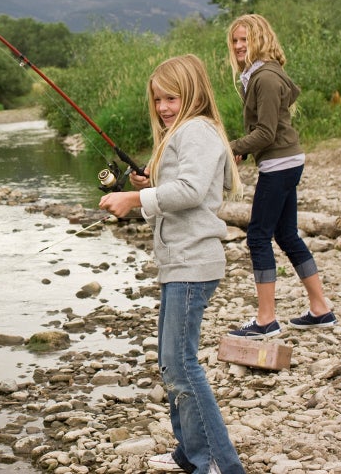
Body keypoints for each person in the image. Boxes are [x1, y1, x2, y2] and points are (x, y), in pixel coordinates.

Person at [99, 54, 245, 474]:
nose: (162, 107)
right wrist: (153, 185)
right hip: (178, 263)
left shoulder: (197, 130)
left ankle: (219, 463)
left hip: (192, 263)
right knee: (170, 363)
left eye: (171, 98)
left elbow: (192, 190)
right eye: (157, 99)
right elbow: (179, 189)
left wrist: (135, 198)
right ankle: (190, 451)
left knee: (182, 364)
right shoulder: (182, 131)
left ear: (193, 94)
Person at [224, 13, 337, 339]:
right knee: (286, 235)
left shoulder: (266, 78)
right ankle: (320, 309)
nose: (239, 45)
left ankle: (266, 320)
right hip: (285, 160)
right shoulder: (259, 75)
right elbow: (265, 131)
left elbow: (266, 132)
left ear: (260, 40)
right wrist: (244, 151)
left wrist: (231, 147)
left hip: (280, 163)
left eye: (245, 39)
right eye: (235, 40)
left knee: (258, 236)